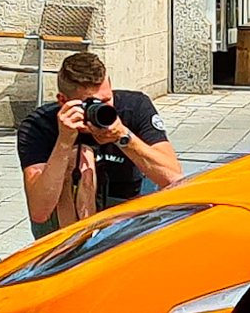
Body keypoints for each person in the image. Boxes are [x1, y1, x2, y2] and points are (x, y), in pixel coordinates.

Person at [17, 51, 182, 237]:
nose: (102, 110)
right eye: (90, 104)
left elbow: (174, 178)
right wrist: (63, 143)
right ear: (63, 101)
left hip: (126, 207)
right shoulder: (38, 125)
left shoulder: (134, 107)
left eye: (106, 100)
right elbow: (40, 212)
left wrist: (124, 137)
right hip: (62, 223)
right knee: (78, 156)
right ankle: (78, 246)